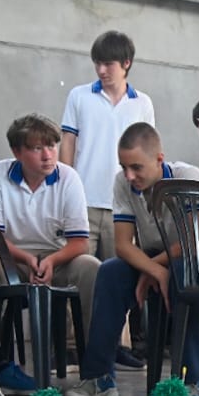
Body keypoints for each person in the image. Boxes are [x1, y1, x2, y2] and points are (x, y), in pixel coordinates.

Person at [66, 123, 199, 396]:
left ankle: (191, 381)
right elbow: (123, 245)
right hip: (158, 260)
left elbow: (192, 241)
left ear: (159, 159)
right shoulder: (123, 183)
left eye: (136, 167)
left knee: (185, 274)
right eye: (124, 167)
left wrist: (152, 270)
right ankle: (99, 377)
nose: (129, 175)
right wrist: (155, 269)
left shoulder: (188, 176)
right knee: (110, 272)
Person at [0, 114, 102, 390]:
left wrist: (51, 261)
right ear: (17, 152)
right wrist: (26, 259)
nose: (48, 155)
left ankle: (96, 370)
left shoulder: (68, 177)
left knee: (92, 267)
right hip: (12, 257)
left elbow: (79, 242)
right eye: (37, 148)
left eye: (51, 146)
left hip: (58, 258)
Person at [60, 30, 155, 260]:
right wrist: (64, 190)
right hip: (83, 203)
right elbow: (68, 143)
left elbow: (148, 153)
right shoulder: (79, 96)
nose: (101, 70)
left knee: (116, 273)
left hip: (123, 206)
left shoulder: (142, 103)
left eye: (108, 64)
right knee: (78, 271)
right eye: (97, 63)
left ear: (126, 63)